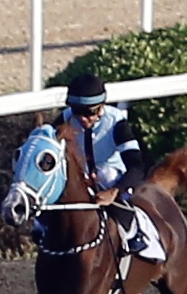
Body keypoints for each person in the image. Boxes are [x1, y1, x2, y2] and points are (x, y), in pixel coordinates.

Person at [64, 71, 161, 262]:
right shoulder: (65, 119)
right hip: (80, 177)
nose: (82, 119)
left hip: (112, 178)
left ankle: (135, 234)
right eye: (77, 111)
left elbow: (136, 165)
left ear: (101, 107)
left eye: (90, 112)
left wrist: (115, 191)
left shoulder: (116, 123)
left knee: (106, 174)